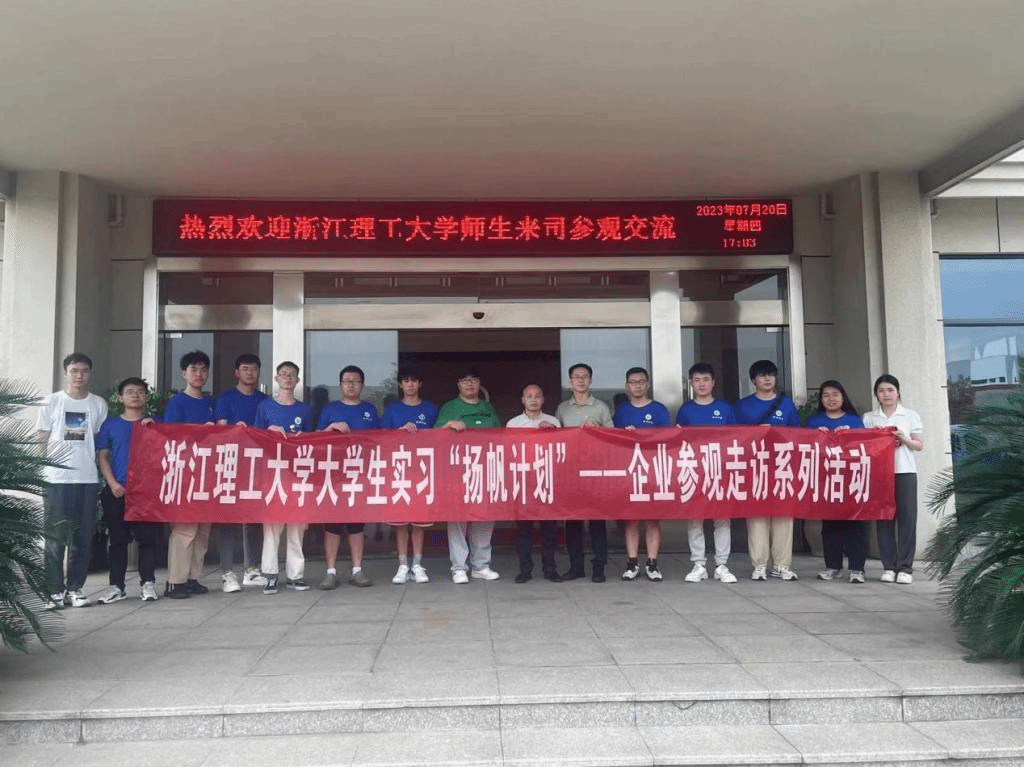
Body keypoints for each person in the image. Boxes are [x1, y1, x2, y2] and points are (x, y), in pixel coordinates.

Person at [37, 352, 108, 609]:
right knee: (55, 538)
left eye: (84, 371)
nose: (80, 376)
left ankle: (75, 589)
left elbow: (99, 442)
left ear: (90, 374)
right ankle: (54, 591)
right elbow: (42, 439)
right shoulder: (52, 402)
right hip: (56, 479)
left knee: (83, 537)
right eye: (75, 371)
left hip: (86, 478)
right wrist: (41, 472)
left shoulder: (98, 404)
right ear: (66, 373)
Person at [96, 377, 163, 604]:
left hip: (146, 491)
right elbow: (103, 457)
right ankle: (116, 586)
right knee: (117, 540)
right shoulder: (110, 424)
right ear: (121, 397)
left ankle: (148, 583)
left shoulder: (156, 423)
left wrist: (156, 430)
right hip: (117, 489)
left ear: (146, 397)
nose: (135, 395)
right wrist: (113, 483)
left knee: (148, 539)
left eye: (140, 392)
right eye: (130, 392)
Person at [734, 359, 800, 581]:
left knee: (783, 514)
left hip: (782, 466)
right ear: (754, 380)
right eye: (762, 375)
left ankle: (781, 565)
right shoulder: (743, 405)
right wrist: (756, 432)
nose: (767, 379)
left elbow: (797, 435)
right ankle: (759, 564)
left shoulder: (786, 404)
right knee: (757, 516)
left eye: (771, 374)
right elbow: (734, 437)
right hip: (754, 466)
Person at [436, 367, 502, 584]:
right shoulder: (449, 407)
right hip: (458, 471)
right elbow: (434, 437)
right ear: (458, 384)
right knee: (457, 519)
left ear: (479, 383)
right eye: (464, 380)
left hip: (485, 470)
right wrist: (448, 426)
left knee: (485, 518)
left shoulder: (488, 407)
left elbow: (501, 436)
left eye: (473, 379)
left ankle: (481, 566)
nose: (469, 384)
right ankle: (459, 568)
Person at [676, 362, 739, 584]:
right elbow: (677, 441)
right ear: (691, 384)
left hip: (721, 470)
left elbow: (736, 438)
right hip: (694, 471)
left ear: (713, 383)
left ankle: (722, 565)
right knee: (695, 519)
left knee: (722, 520)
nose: (701, 384)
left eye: (705, 380)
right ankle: (699, 564)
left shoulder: (725, 408)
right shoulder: (685, 410)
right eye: (697, 380)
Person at [317, 365, 378, 589]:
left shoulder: (370, 410)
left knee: (356, 525)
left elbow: (381, 440)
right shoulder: (329, 410)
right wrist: (330, 429)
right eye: (346, 381)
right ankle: (330, 572)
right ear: (340, 384)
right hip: (333, 475)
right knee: (332, 525)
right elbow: (315, 439)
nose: (351, 385)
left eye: (355, 381)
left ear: (362, 385)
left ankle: (357, 570)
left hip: (359, 474)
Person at [254, 361, 313, 594]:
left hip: (297, 474)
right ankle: (269, 575)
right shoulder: (265, 407)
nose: (287, 378)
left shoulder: (305, 410)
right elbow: (255, 437)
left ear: (298, 381)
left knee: (296, 527)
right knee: (272, 528)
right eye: (283, 374)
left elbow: (312, 441)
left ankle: (295, 576)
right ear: (276, 378)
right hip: (272, 473)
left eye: (291, 375)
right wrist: (268, 432)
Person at [214, 353, 269, 592]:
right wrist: (233, 430)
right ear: (237, 372)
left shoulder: (265, 401)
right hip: (230, 464)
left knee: (253, 518)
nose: (250, 373)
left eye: (254, 369)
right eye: (245, 368)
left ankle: (252, 570)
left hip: (256, 465)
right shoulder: (225, 398)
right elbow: (219, 430)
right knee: (229, 519)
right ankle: (227, 572)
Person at [163, 350, 216, 599]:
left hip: (207, 474)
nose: (199, 374)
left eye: (203, 369)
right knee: (185, 530)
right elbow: (171, 436)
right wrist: (200, 430)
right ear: (184, 373)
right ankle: (176, 581)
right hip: (184, 474)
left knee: (203, 531)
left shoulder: (210, 403)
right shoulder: (177, 402)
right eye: (194, 369)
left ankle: (193, 578)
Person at [555, 362, 613, 583]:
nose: (580, 380)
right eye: (576, 377)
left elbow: (613, 436)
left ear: (590, 380)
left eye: (584, 376)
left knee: (597, 522)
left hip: (596, 471)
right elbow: (556, 439)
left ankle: (599, 567)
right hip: (571, 472)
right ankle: (575, 567)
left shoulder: (601, 407)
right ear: (570, 381)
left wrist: (596, 432)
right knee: (573, 522)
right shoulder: (563, 408)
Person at [380, 367, 438, 584]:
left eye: (414, 380)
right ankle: (403, 565)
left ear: (420, 384)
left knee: (419, 522)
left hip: (423, 471)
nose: (410, 384)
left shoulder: (430, 409)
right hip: (399, 470)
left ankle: (417, 564)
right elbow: (381, 437)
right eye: (406, 381)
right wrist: (399, 432)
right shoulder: (392, 409)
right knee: (401, 522)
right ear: (400, 385)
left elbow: (440, 437)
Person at [863, 373, 923, 584]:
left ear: (898, 392)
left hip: (905, 471)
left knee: (907, 520)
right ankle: (889, 566)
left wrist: (904, 439)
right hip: (880, 474)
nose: (886, 394)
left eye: (890, 390)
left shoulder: (910, 415)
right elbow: (864, 447)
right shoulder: (869, 417)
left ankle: (905, 568)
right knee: (884, 520)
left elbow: (919, 445)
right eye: (881, 391)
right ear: (876, 395)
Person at [613, 366, 671, 582]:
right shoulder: (621, 411)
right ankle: (632, 563)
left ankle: (652, 563)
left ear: (647, 384)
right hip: (629, 470)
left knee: (653, 519)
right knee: (631, 519)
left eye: (640, 382)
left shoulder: (659, 409)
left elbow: (667, 439)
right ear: (627, 386)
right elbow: (612, 440)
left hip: (654, 470)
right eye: (633, 382)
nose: (637, 386)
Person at [807, 379, 868, 584]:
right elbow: (805, 449)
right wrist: (817, 437)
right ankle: (832, 567)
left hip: (851, 480)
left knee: (855, 524)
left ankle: (857, 569)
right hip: (826, 481)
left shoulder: (854, 421)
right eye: (826, 395)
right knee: (830, 525)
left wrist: (848, 436)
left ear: (843, 397)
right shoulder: (813, 422)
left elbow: (866, 448)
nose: (831, 399)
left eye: (835, 395)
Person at [507, 383, 562, 584]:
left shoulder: (553, 421)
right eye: (529, 396)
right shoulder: (513, 424)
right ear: (523, 400)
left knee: (549, 530)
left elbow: (561, 450)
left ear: (543, 400)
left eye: (537, 396)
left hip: (546, 482)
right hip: (523, 483)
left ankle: (550, 569)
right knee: (524, 530)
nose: (533, 400)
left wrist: (552, 431)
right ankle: (525, 570)